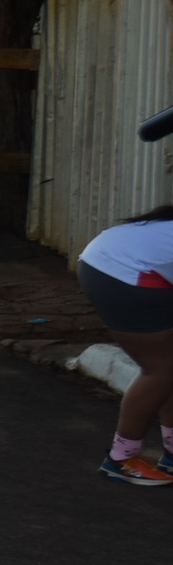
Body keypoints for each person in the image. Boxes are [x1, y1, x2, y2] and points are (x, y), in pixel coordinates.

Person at [75, 204, 173, 485]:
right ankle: (121, 459)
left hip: (107, 259)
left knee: (168, 367)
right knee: (160, 370)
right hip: (125, 272)